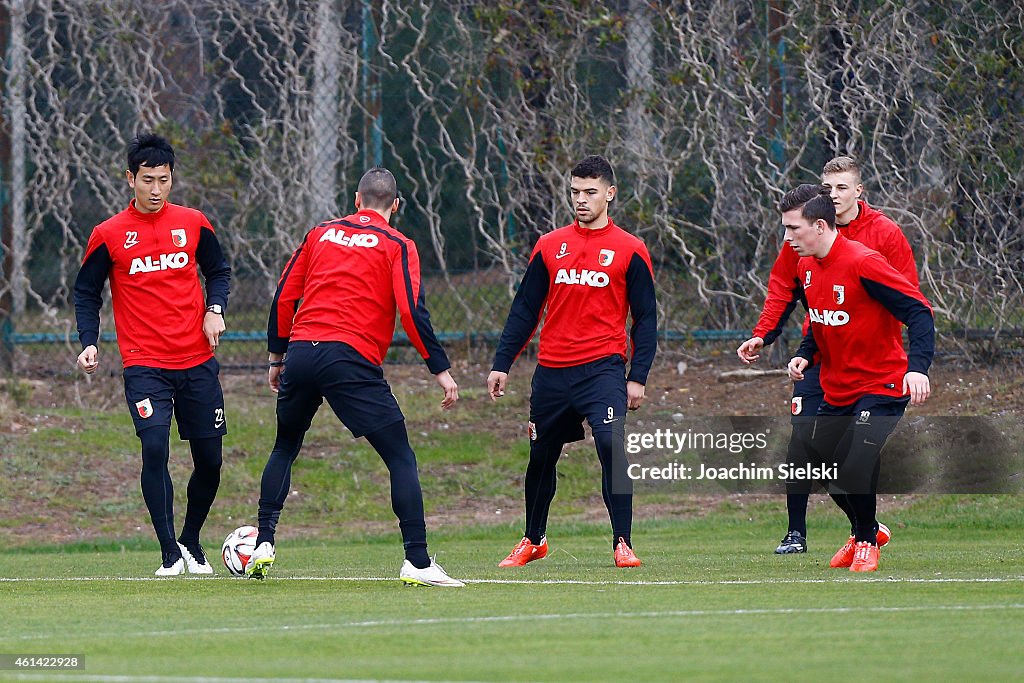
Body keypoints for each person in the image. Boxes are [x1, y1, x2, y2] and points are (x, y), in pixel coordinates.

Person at [246, 167, 463, 588]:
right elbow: (412, 311)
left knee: (285, 445)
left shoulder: (320, 233)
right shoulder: (398, 243)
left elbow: (285, 294)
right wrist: (439, 368)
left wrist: (277, 356)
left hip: (303, 353)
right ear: (395, 206)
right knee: (400, 457)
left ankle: (264, 541)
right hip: (349, 358)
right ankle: (417, 562)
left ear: (356, 200)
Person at [737, 156, 918, 554]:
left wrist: (910, 364)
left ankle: (864, 534)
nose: (832, 195)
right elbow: (784, 288)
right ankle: (806, 532)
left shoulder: (882, 235)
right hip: (820, 356)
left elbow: (909, 300)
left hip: (871, 367)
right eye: (827, 187)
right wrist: (765, 336)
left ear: (859, 191)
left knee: (853, 456)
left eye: (841, 188)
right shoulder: (803, 236)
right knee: (808, 447)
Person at [487, 155, 657, 568]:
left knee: (611, 448)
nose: (581, 200)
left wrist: (638, 376)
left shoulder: (630, 250)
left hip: (602, 371)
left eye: (590, 192)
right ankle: (534, 539)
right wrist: (502, 362)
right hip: (552, 372)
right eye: (575, 192)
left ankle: (623, 542)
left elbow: (646, 318)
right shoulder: (549, 245)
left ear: (610, 195)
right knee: (541, 456)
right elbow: (525, 310)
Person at [73, 133, 231, 576]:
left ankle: (191, 541)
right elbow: (87, 293)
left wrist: (214, 310)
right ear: (130, 179)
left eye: (163, 180)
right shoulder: (109, 235)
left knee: (211, 461)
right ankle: (168, 553)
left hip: (197, 360)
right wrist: (89, 341)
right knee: (155, 447)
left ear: (172, 178)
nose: (156, 189)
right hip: (145, 365)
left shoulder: (194, 223)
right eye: (147, 181)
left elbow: (218, 270)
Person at [781, 183, 933, 572]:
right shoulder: (806, 268)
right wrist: (804, 355)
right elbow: (819, 321)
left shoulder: (863, 262)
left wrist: (917, 368)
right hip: (838, 388)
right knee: (821, 469)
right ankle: (866, 529)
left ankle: (866, 542)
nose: (787, 238)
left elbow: (918, 310)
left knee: (854, 465)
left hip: (882, 384)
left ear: (819, 226)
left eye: (793, 229)